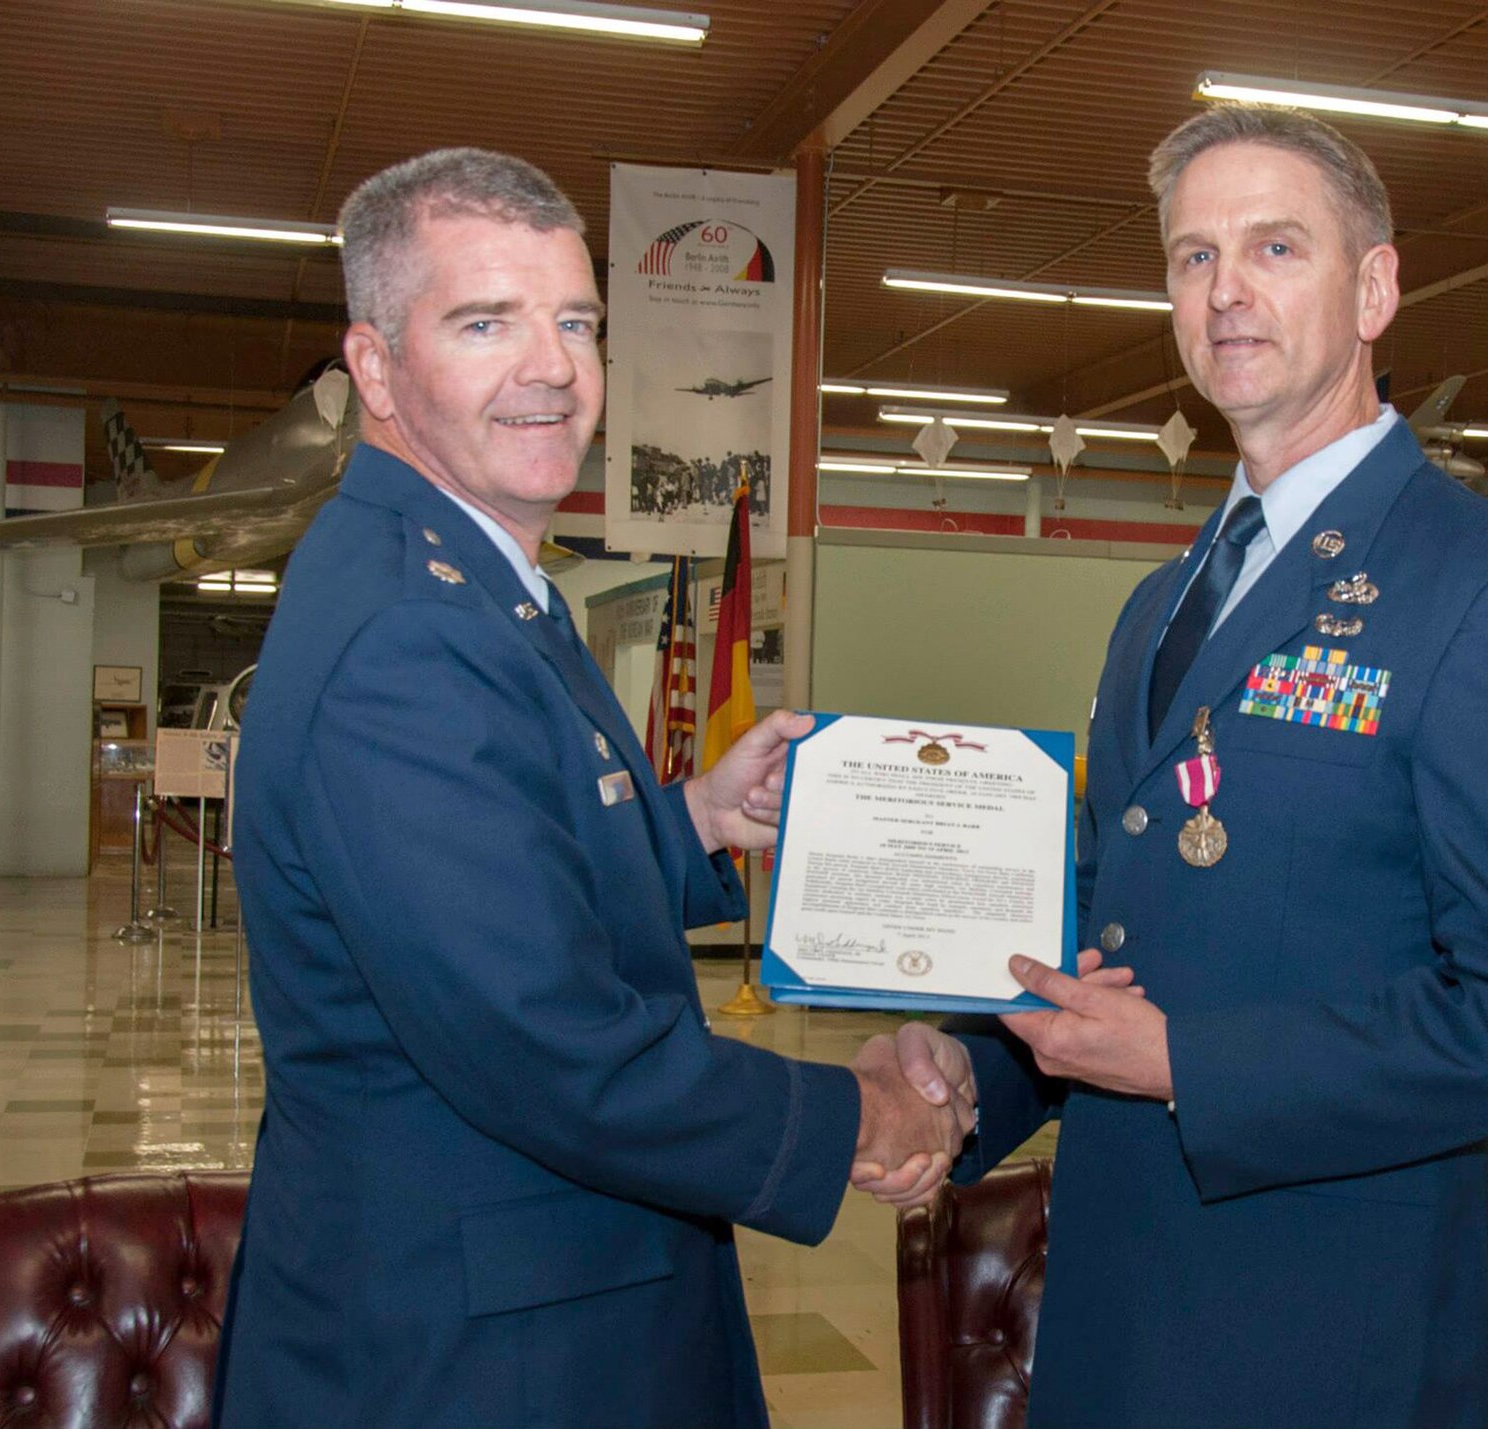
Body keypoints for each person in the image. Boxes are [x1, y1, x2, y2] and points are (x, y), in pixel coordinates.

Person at [213, 148, 971, 1429]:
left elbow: (519, 866)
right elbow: (546, 1042)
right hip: (476, 1356)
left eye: (575, 321)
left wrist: (694, 818)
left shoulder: (476, 579)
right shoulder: (409, 629)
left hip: (540, 1298)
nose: (552, 366)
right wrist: (857, 1110)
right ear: (377, 369)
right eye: (484, 322)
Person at [900, 104, 1488, 1428]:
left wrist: (1190, 1061)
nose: (1225, 290)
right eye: (1192, 257)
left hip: (1330, 1336)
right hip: (1120, 1313)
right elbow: (1111, 928)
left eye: (1276, 247)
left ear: (1376, 288)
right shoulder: (1162, 606)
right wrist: (965, 1076)